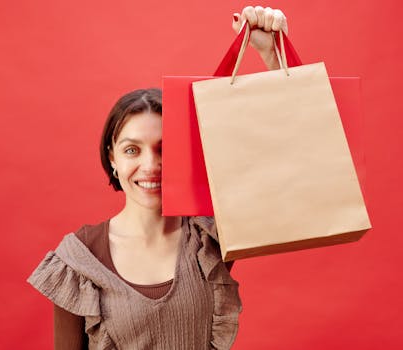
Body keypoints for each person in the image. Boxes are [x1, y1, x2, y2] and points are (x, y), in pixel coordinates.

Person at [28, 6, 289, 349]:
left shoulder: (208, 237)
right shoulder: (78, 259)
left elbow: (280, 172)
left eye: (164, 149)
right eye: (132, 150)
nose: (151, 165)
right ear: (112, 158)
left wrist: (271, 56)